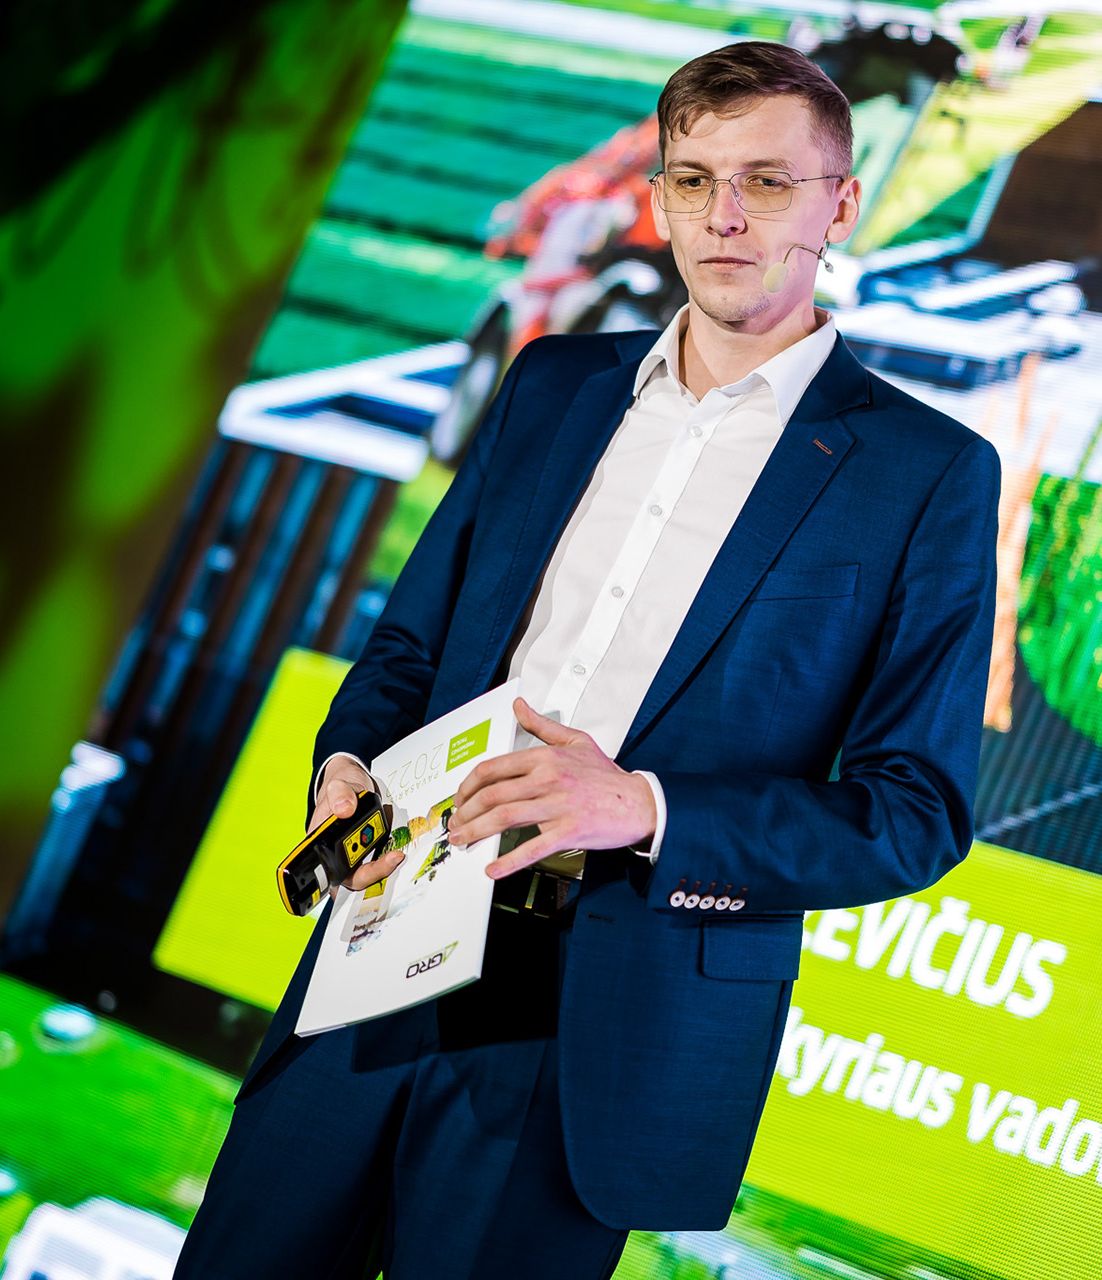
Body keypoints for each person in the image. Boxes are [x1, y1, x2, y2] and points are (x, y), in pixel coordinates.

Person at [175, 40, 998, 1280]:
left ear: (840, 204)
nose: (724, 217)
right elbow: (409, 644)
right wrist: (348, 758)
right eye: (693, 180)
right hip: (385, 942)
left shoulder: (925, 470)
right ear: (659, 198)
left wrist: (644, 807)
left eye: (768, 182)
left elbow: (914, 812)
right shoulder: (553, 384)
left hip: (602, 1015)